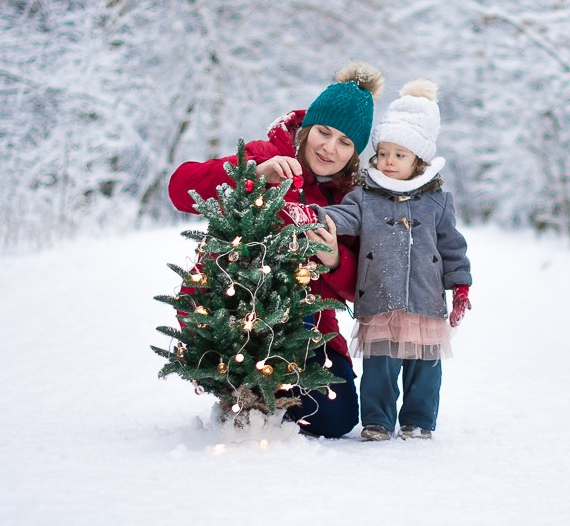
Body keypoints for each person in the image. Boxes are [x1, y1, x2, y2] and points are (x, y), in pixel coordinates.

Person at [167, 61, 385, 438]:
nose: (329, 148)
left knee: (337, 418)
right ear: (307, 128)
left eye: (345, 142)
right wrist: (251, 175)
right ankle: (242, 381)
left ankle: (268, 390)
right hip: (236, 312)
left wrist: (335, 259)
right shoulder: (265, 154)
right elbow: (180, 189)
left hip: (305, 327)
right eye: (324, 132)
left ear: (354, 153)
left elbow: (359, 289)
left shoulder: (350, 200)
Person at [312, 79, 472, 441]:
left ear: (418, 160)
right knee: (380, 366)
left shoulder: (437, 201)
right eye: (383, 153)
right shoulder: (365, 195)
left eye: (399, 155)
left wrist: (460, 286)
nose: (388, 161)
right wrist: (316, 216)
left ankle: (419, 420)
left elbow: (452, 246)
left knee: (424, 367)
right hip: (380, 296)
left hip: (425, 299)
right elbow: (343, 216)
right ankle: (377, 421)